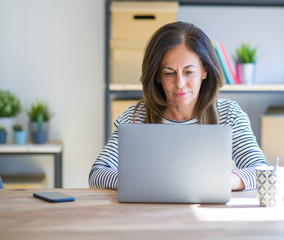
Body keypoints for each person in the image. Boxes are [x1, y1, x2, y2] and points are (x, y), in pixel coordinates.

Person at [89, 21, 269, 191]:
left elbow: (262, 171)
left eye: (189, 72)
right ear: (157, 76)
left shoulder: (229, 114)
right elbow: (97, 174)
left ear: (205, 71)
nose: (180, 83)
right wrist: (145, 183)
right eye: (169, 73)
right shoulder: (135, 118)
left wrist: (220, 181)